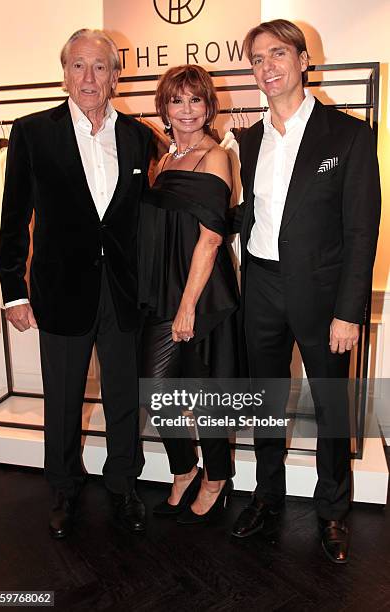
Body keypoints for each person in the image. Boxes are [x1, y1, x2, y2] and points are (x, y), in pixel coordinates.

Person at [230, 19, 381, 563]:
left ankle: (333, 510)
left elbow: (363, 231)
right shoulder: (248, 139)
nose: (266, 67)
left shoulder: (348, 135)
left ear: (302, 61)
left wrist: (347, 312)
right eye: (256, 59)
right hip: (262, 286)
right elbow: (247, 212)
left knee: (331, 407)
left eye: (277, 55)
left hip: (323, 296)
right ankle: (267, 497)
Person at [0, 29, 152, 538]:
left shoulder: (137, 135)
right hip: (60, 289)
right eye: (79, 66)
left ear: (115, 74)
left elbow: (142, 219)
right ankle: (63, 487)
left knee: (123, 393)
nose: (89, 77)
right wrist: (13, 289)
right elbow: (14, 216)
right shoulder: (31, 132)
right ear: (65, 72)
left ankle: (123, 483)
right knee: (62, 396)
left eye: (100, 67)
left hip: (123, 291)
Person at [139, 65, 239, 524]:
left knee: (207, 394)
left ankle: (216, 477)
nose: (186, 109)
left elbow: (211, 238)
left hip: (202, 295)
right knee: (157, 391)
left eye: (195, 100)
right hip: (164, 293)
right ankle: (183, 469)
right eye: (177, 100)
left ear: (208, 106)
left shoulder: (215, 156)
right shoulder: (162, 161)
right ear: (164, 107)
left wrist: (187, 306)